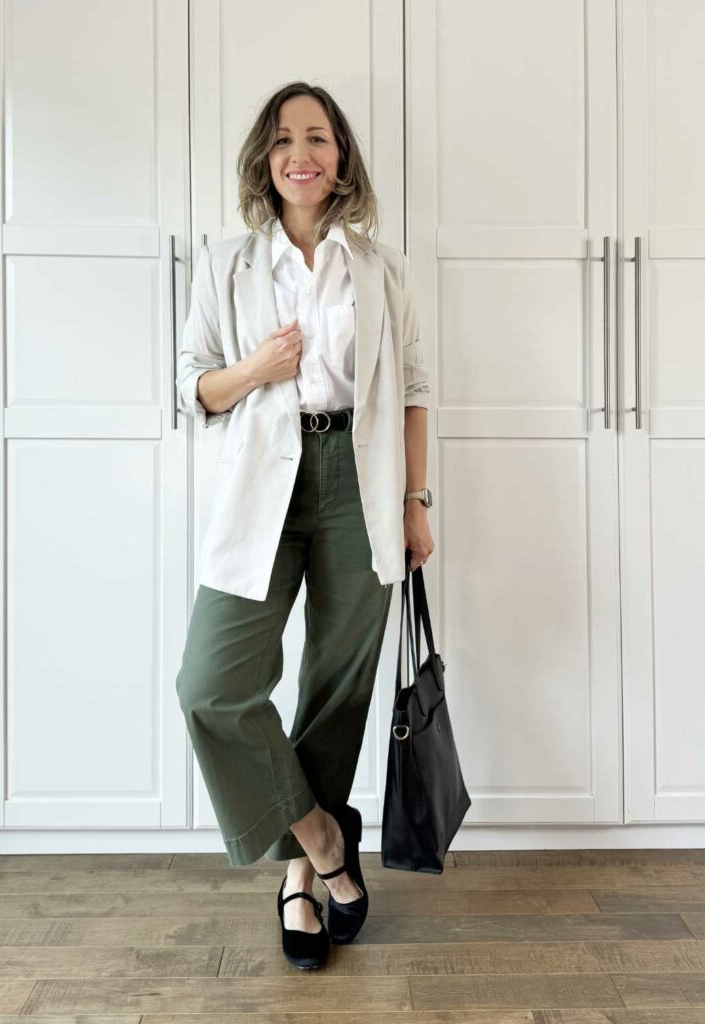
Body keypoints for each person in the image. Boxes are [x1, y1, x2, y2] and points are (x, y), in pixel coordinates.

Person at [174, 81, 434, 968]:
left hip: (357, 482)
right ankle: (323, 841)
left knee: (333, 690)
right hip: (263, 485)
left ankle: (296, 888)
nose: (301, 153)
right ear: (265, 158)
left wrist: (415, 503)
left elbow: (413, 393)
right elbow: (194, 388)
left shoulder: (380, 266)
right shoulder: (224, 263)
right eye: (285, 139)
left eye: (318, 137)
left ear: (340, 156)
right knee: (211, 686)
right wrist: (255, 368)